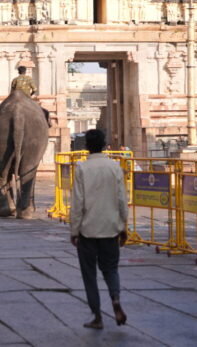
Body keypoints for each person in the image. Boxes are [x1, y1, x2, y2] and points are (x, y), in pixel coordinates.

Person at [69, 129, 129, 330]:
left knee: (89, 275)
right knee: (111, 269)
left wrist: (74, 230)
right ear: (104, 145)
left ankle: (97, 316)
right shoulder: (114, 167)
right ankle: (115, 299)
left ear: (86, 146)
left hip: (88, 230)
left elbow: (77, 203)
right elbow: (122, 199)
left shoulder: (82, 168)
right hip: (110, 228)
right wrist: (123, 225)